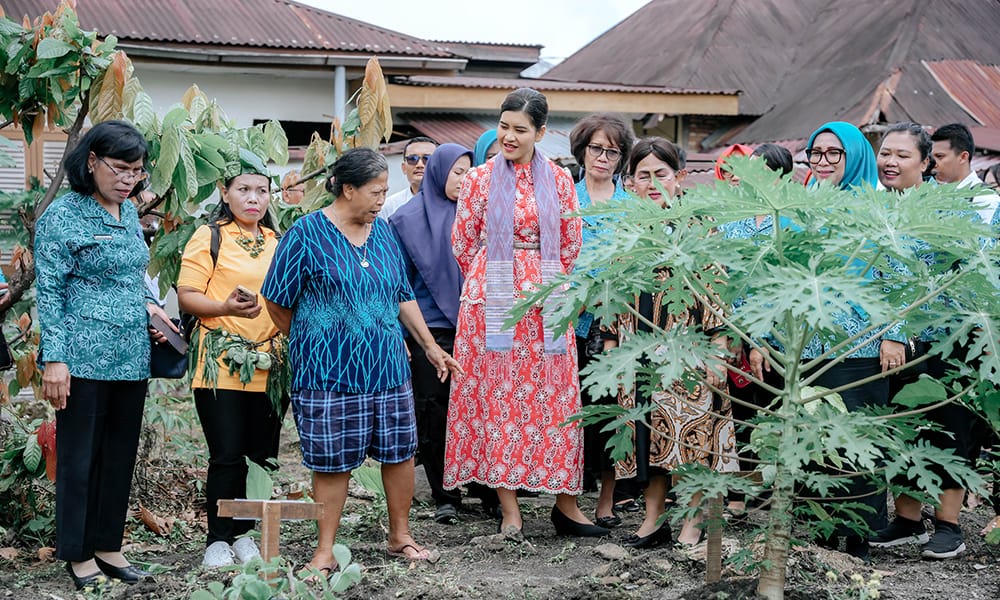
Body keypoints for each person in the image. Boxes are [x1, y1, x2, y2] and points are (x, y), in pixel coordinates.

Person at [261, 147, 460, 575]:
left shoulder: (384, 232)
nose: (381, 199)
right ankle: (325, 550)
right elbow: (276, 301)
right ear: (347, 189)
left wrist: (428, 345)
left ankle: (400, 536)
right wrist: (315, 337)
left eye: (385, 191)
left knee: (399, 453)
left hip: (388, 367)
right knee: (332, 461)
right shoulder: (306, 234)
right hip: (328, 372)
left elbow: (402, 294)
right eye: (375, 191)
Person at [443, 87, 604, 540]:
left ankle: (566, 504)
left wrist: (540, 279)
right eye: (503, 127)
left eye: (520, 129)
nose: (509, 137)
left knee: (554, 398)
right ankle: (509, 510)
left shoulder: (559, 180)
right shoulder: (478, 179)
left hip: (547, 298)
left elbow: (571, 244)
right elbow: (463, 243)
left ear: (541, 132)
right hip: (491, 299)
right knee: (498, 398)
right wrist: (499, 278)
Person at [35, 120, 171, 590]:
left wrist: (152, 308)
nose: (129, 179)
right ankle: (78, 553)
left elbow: (131, 277)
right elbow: (49, 291)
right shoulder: (63, 215)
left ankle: (109, 546)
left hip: (130, 356)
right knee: (80, 459)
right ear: (92, 161)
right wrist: (55, 359)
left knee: (118, 456)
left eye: (137, 171)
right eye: (120, 168)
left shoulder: (128, 212)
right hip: (81, 357)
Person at [869, 122, 993, 559]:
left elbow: (977, 273)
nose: (890, 162)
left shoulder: (949, 210)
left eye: (902, 155)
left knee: (948, 426)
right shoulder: (873, 208)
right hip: (884, 341)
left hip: (944, 337)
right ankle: (907, 520)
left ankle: (949, 525)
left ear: (925, 163)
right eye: (885, 153)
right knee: (901, 426)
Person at [610, 137, 738, 549]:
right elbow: (611, 290)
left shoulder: (700, 225)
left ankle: (694, 520)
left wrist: (718, 345)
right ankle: (653, 519)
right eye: (642, 175)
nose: (652, 183)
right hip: (636, 348)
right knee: (647, 437)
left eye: (660, 174)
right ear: (631, 182)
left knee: (690, 435)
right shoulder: (626, 226)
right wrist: (611, 344)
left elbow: (718, 288)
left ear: (679, 177)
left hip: (689, 348)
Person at [177, 149, 287, 568]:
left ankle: (246, 535)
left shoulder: (278, 242)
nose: (253, 198)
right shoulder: (209, 237)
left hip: (271, 364)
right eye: (243, 189)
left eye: (262, 190)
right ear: (225, 193)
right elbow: (188, 296)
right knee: (226, 453)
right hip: (220, 361)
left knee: (261, 455)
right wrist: (225, 307)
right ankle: (219, 539)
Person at [388, 143, 476, 524]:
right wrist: (402, 336)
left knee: (477, 410)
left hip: (475, 327)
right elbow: (397, 285)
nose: (464, 180)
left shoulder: (477, 216)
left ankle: (485, 489)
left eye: (469, 172)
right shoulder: (405, 221)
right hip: (429, 331)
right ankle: (445, 495)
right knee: (434, 412)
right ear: (440, 173)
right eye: (457, 172)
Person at [568, 113, 635, 528]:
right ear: (582, 150)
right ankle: (570, 496)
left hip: (617, 325)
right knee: (573, 410)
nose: (603, 157)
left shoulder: (633, 208)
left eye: (612, 151)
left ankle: (607, 500)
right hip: (571, 322)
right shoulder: (566, 199)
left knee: (611, 412)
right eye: (596, 148)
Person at [380, 136, 439, 220]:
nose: (419, 165)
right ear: (404, 168)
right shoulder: (389, 206)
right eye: (412, 159)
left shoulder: (452, 204)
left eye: (427, 159)